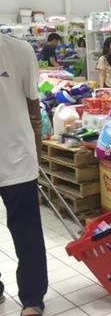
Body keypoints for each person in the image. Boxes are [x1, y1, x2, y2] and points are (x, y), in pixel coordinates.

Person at [0, 33, 48, 316]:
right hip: (18, 156)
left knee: (27, 232)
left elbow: (33, 103)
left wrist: (37, 148)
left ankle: (32, 298)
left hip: (17, 157)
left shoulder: (19, 50)